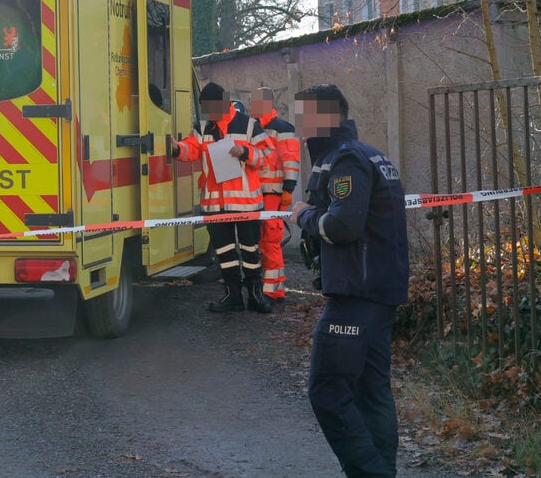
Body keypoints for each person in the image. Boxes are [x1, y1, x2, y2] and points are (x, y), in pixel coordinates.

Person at [289, 84, 409, 477]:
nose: (300, 124)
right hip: (378, 291)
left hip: (356, 294)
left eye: (305, 115)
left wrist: (304, 215)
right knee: (371, 392)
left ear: (328, 117)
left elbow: (343, 225)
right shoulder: (368, 154)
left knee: (327, 390)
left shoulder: (348, 160)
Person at [169, 82, 275, 313]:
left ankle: (255, 296)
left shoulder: (249, 125)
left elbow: (267, 157)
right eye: (204, 107)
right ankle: (233, 297)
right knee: (225, 254)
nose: (207, 112)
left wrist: (245, 152)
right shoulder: (203, 128)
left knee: (250, 252)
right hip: (214, 206)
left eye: (210, 107)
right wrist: (176, 149)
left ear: (225, 103)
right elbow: (191, 149)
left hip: (246, 204)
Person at [249, 87, 300, 302]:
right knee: (258, 241)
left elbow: (290, 159)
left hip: (273, 194)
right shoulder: (253, 127)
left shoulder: (282, 128)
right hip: (254, 194)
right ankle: (264, 286)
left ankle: (273, 290)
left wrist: (288, 189)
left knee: (270, 241)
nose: (252, 106)